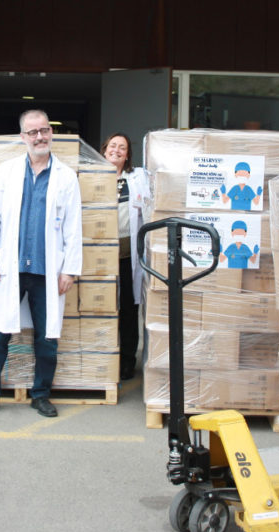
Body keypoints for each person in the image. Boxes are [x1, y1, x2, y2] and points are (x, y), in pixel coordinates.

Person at [0, 109, 82, 418]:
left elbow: (74, 227)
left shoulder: (65, 177)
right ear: (22, 137)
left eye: (44, 130)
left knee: (47, 338)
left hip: (48, 271)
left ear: (51, 133)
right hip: (10, 269)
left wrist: (70, 269)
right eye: (33, 132)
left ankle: (41, 394)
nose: (40, 137)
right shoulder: (6, 172)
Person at [102, 132, 151, 381]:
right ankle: (104, 359)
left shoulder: (137, 177)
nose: (117, 150)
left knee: (129, 310)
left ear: (128, 154)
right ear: (104, 149)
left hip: (127, 255)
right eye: (113, 146)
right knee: (104, 307)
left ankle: (127, 361)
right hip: (101, 256)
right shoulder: (95, 176)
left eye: (122, 147)